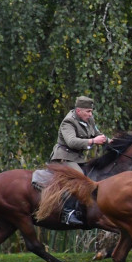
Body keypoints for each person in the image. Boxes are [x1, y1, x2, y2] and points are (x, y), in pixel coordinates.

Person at [48, 95, 108, 226]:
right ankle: (67, 213)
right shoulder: (68, 122)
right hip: (64, 157)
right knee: (80, 180)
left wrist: (108, 140)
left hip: (78, 158)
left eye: (91, 111)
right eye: (88, 111)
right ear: (78, 110)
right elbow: (72, 142)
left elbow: (96, 133)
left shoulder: (89, 119)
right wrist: (92, 141)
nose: (90, 114)